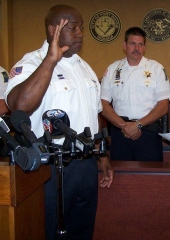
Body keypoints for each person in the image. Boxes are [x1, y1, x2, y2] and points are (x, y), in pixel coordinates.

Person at [4, 5, 114, 240]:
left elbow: (95, 115)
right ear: (53, 29)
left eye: (81, 28)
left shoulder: (84, 68)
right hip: (51, 168)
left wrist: (101, 155)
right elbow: (19, 105)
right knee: (49, 231)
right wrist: (51, 60)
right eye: (73, 27)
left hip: (85, 165)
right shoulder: (32, 63)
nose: (80, 34)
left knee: (82, 231)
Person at [100, 27, 170, 161]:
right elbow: (103, 104)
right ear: (124, 45)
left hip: (148, 134)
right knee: (121, 178)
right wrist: (124, 126)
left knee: (151, 178)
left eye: (140, 44)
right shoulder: (112, 69)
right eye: (132, 43)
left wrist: (137, 125)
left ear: (144, 47)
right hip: (120, 133)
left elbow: (163, 106)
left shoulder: (156, 68)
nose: (136, 48)